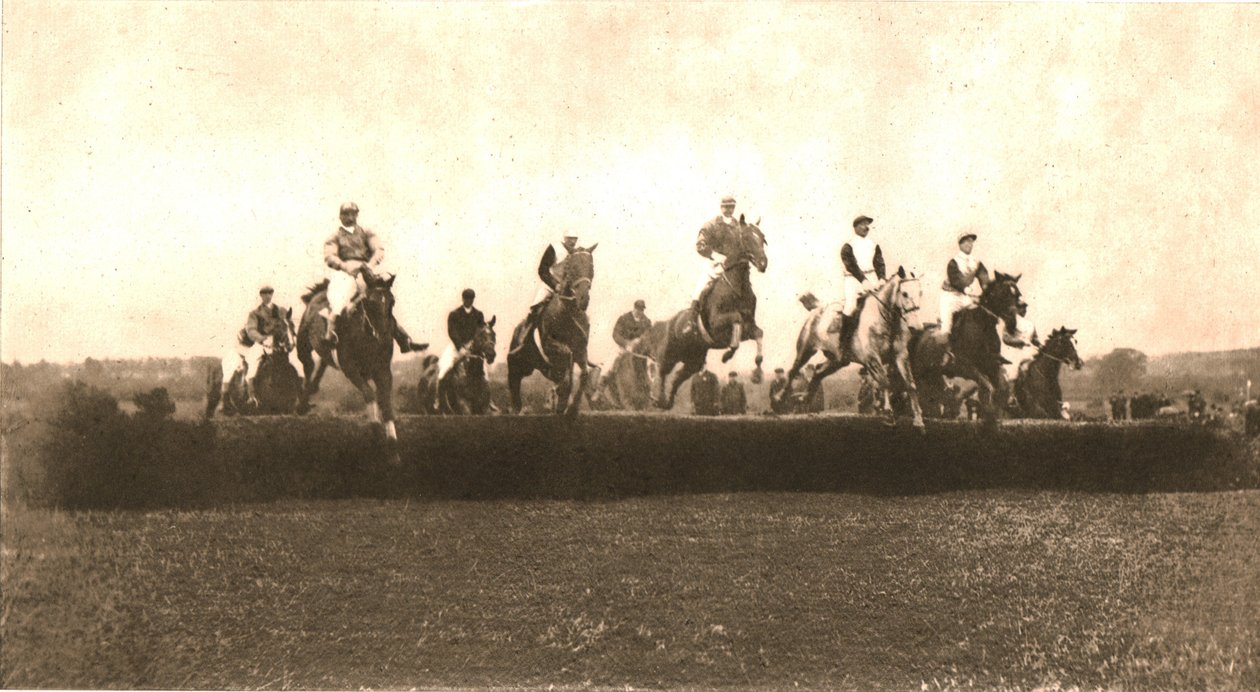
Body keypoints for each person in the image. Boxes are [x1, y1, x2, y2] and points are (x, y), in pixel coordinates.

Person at [321, 202, 424, 352]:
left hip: (366, 270)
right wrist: (345, 266)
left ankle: (402, 338)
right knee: (339, 299)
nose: (350, 217)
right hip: (344, 272)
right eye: (346, 214)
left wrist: (370, 264)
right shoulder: (334, 237)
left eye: (353, 213)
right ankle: (330, 334)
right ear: (340, 216)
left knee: (382, 298)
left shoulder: (366, 232)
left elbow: (378, 249)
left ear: (357, 214)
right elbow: (330, 256)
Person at [221, 285, 288, 407]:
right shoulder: (255, 313)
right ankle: (252, 396)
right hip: (260, 344)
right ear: (261, 296)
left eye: (269, 293)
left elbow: (285, 327)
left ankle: (298, 395)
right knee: (254, 362)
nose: (267, 296)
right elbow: (251, 330)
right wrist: (262, 339)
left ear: (272, 295)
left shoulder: (280, 311)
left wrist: (285, 338)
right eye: (264, 294)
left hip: (277, 344)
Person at [837, 215, 887, 360]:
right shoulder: (848, 245)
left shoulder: (873, 244)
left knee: (884, 304)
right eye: (863, 224)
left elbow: (879, 262)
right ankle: (844, 345)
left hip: (872, 278)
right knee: (850, 307)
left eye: (867, 224)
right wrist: (863, 281)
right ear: (856, 227)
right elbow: (851, 265)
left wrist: (882, 278)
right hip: (853, 279)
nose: (866, 227)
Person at [692, 195, 740, 313]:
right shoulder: (711, 225)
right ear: (721, 207)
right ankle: (692, 321)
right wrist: (715, 256)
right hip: (714, 267)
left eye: (731, 207)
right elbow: (700, 245)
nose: (729, 210)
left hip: (732, 267)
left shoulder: (738, 227)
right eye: (726, 207)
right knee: (698, 293)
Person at [940, 231, 991, 337]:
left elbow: (983, 277)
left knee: (980, 314)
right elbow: (955, 280)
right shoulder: (953, 262)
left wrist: (987, 290)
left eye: (971, 242)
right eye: (966, 242)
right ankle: (946, 352)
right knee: (946, 328)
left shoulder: (976, 262)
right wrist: (966, 289)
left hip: (964, 297)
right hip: (950, 297)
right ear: (960, 244)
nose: (969, 244)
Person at [528, 231, 580, 326]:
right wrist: (555, 285)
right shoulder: (554, 248)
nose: (573, 242)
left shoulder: (577, 253)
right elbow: (542, 270)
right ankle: (526, 336)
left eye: (575, 238)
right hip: (550, 286)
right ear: (565, 238)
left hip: (568, 289)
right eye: (570, 238)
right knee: (535, 308)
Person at [437, 288, 487, 381]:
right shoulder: (454, 314)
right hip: (457, 346)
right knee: (444, 369)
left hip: (473, 347)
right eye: (467, 298)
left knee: (485, 377)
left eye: (471, 298)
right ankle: (439, 393)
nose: (469, 301)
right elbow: (452, 331)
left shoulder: (479, 314)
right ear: (463, 299)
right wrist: (460, 347)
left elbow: (480, 331)